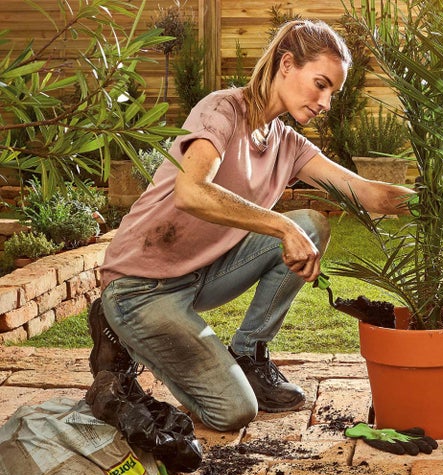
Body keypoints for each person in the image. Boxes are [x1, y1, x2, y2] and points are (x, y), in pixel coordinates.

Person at [89, 19, 413, 432]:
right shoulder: (221, 109)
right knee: (234, 412)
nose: (326, 102)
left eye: (332, 91)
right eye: (320, 84)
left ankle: (249, 352)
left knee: (311, 225)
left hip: (200, 275)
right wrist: (280, 226)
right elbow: (191, 191)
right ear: (286, 64)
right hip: (141, 285)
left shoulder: (287, 143)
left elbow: (366, 192)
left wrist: (435, 202)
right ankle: (116, 349)